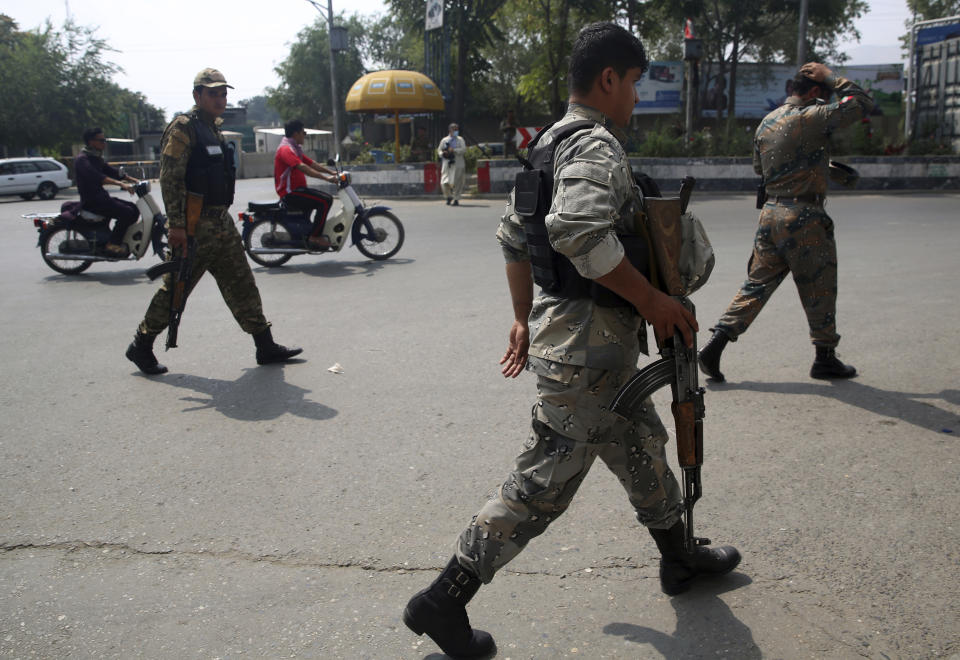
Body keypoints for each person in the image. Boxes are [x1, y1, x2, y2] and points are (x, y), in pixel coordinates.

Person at [403, 23, 741, 658]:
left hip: (588, 346)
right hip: (590, 349)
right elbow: (578, 233)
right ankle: (443, 599)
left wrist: (521, 317)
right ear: (608, 80)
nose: (637, 98)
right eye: (635, 84)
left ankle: (679, 557)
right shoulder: (595, 146)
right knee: (541, 484)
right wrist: (656, 301)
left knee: (640, 443)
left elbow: (514, 239)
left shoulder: (545, 147)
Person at [698, 62, 873, 383]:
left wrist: (826, 168)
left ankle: (717, 341)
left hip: (771, 216)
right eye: (824, 92)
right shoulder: (813, 116)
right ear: (816, 92)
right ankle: (825, 358)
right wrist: (830, 75)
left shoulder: (767, 122)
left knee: (757, 285)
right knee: (820, 287)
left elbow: (763, 170)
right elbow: (862, 103)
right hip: (804, 217)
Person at [125, 68, 302, 376]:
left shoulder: (214, 129)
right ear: (197, 96)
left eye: (223, 93)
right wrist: (177, 225)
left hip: (220, 222)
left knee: (242, 283)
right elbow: (170, 178)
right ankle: (141, 344)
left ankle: (265, 345)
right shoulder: (184, 128)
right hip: (194, 226)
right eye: (213, 93)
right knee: (176, 290)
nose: (220, 99)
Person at [75, 128, 140, 257]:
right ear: (91, 142)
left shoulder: (96, 158)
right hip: (92, 201)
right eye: (101, 140)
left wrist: (134, 180)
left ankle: (119, 240)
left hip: (101, 198)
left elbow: (112, 172)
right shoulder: (83, 159)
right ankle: (112, 244)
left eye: (105, 140)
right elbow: (98, 176)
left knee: (134, 209)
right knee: (126, 212)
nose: (104, 143)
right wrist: (121, 184)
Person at [274, 119, 338, 249]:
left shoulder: (294, 149)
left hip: (298, 190)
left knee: (321, 199)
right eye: (304, 132)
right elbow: (303, 167)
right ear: (296, 133)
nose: (305, 135)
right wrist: (327, 179)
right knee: (325, 201)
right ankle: (315, 236)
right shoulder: (286, 150)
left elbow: (312, 163)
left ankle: (309, 232)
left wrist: (331, 173)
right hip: (291, 193)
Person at [437, 123, 466, 206]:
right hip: (447, 164)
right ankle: (448, 196)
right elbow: (439, 150)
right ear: (450, 130)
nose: (456, 131)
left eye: (457, 129)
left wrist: (454, 150)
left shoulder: (460, 139)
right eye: (454, 129)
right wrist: (443, 153)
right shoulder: (445, 140)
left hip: (458, 163)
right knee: (444, 182)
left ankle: (456, 199)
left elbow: (463, 150)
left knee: (457, 182)